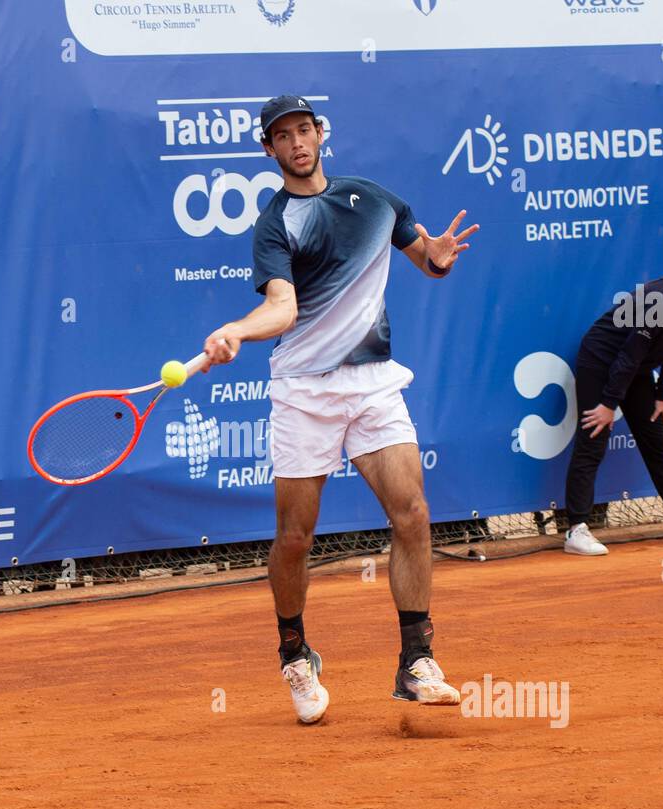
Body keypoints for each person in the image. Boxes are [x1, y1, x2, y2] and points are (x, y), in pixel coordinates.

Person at [202, 95, 478, 723]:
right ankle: (295, 651)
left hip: (374, 381)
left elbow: (424, 256)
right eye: (283, 136)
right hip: (304, 390)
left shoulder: (375, 200)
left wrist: (435, 258)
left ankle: (417, 660)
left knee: (411, 512)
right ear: (268, 150)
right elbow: (283, 307)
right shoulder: (275, 225)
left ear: (320, 135)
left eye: (304, 129)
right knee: (295, 536)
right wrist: (241, 330)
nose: (297, 142)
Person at [562, 238, 663, 556]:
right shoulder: (660, 300)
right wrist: (608, 404)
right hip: (601, 360)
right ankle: (576, 530)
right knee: (593, 436)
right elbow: (627, 355)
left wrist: (661, 394)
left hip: (635, 368)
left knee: (657, 441)